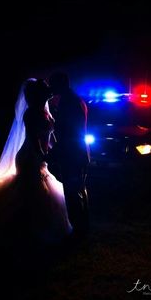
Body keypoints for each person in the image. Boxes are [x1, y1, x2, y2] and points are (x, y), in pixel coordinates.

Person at [0, 78, 72, 246]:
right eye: (46, 89)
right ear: (38, 94)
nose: (50, 90)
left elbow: (49, 137)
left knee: (37, 192)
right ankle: (24, 229)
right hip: (29, 156)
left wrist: (56, 149)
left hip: (40, 155)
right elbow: (33, 139)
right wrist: (44, 156)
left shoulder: (46, 112)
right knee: (30, 191)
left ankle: (33, 227)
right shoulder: (31, 113)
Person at [47, 72, 90, 240]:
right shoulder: (73, 100)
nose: (51, 88)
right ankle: (82, 227)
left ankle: (78, 230)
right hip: (78, 152)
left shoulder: (68, 103)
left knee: (73, 193)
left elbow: (68, 134)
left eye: (53, 84)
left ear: (62, 83)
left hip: (72, 154)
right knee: (79, 191)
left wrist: (53, 153)